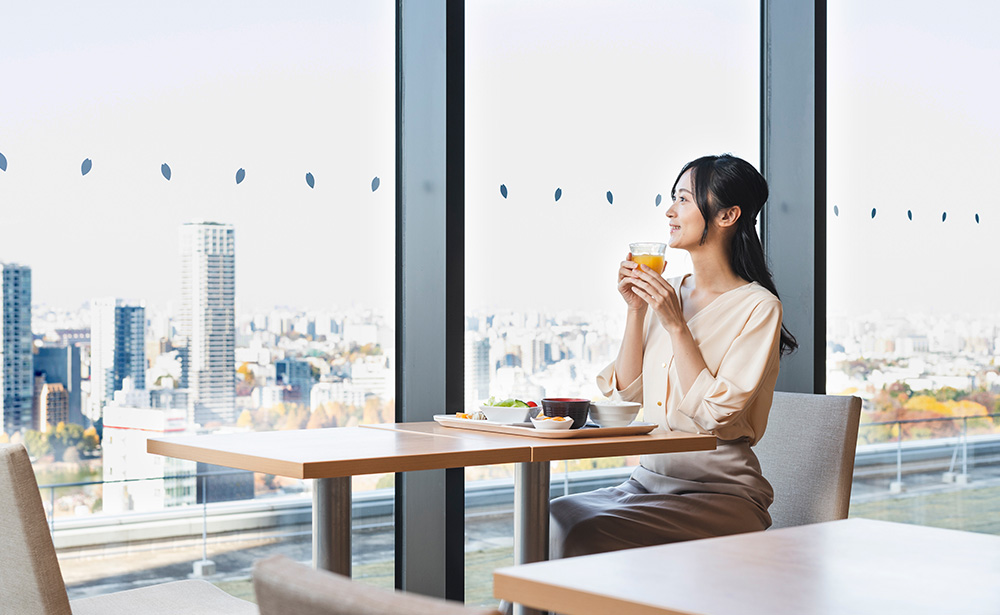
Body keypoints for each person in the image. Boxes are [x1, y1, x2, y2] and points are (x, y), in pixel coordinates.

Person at [549, 153, 798, 558]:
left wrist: (675, 324)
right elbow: (626, 398)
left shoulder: (758, 307)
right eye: (672, 198)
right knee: (553, 515)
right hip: (646, 480)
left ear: (727, 215)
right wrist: (636, 310)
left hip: (721, 493)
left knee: (585, 532)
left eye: (683, 199)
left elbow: (715, 415)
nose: (670, 211)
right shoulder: (668, 292)